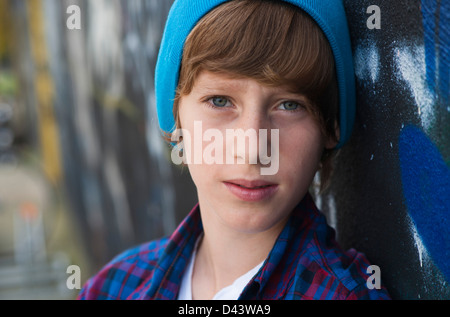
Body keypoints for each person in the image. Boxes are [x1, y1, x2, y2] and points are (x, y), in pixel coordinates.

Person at [78, 0, 390, 300]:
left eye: (290, 105)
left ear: (330, 128)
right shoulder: (111, 287)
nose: (252, 150)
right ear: (176, 117)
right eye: (220, 101)